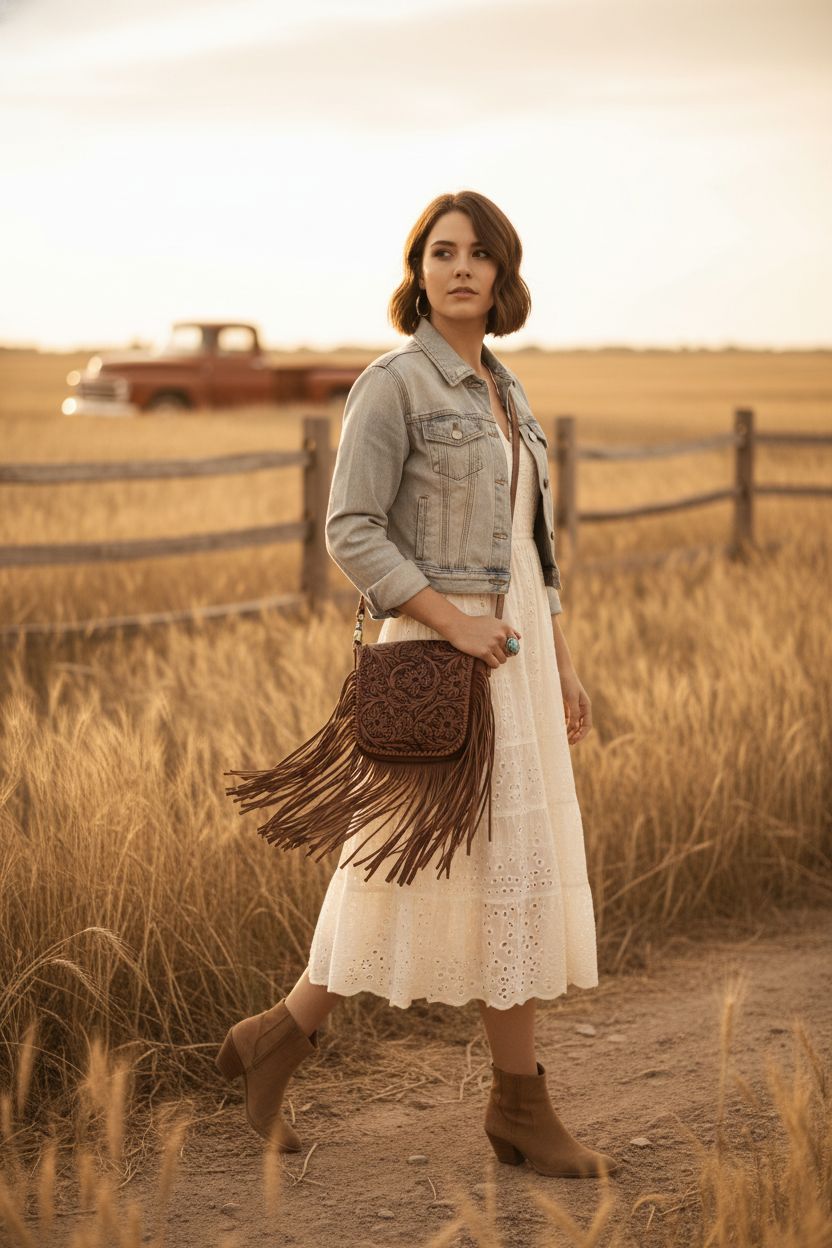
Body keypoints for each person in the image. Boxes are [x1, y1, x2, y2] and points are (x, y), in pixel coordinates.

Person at [216, 190, 619, 1179]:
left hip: (512, 650)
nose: (460, 267)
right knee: (417, 866)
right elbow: (350, 528)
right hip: (447, 653)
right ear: (418, 270)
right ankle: (498, 1103)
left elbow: (536, 546)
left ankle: (300, 1044)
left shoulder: (506, 389)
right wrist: (455, 624)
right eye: (441, 252)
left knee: (494, 869)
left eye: (479, 253)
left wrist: (559, 664)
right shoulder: (394, 384)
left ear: (504, 273)